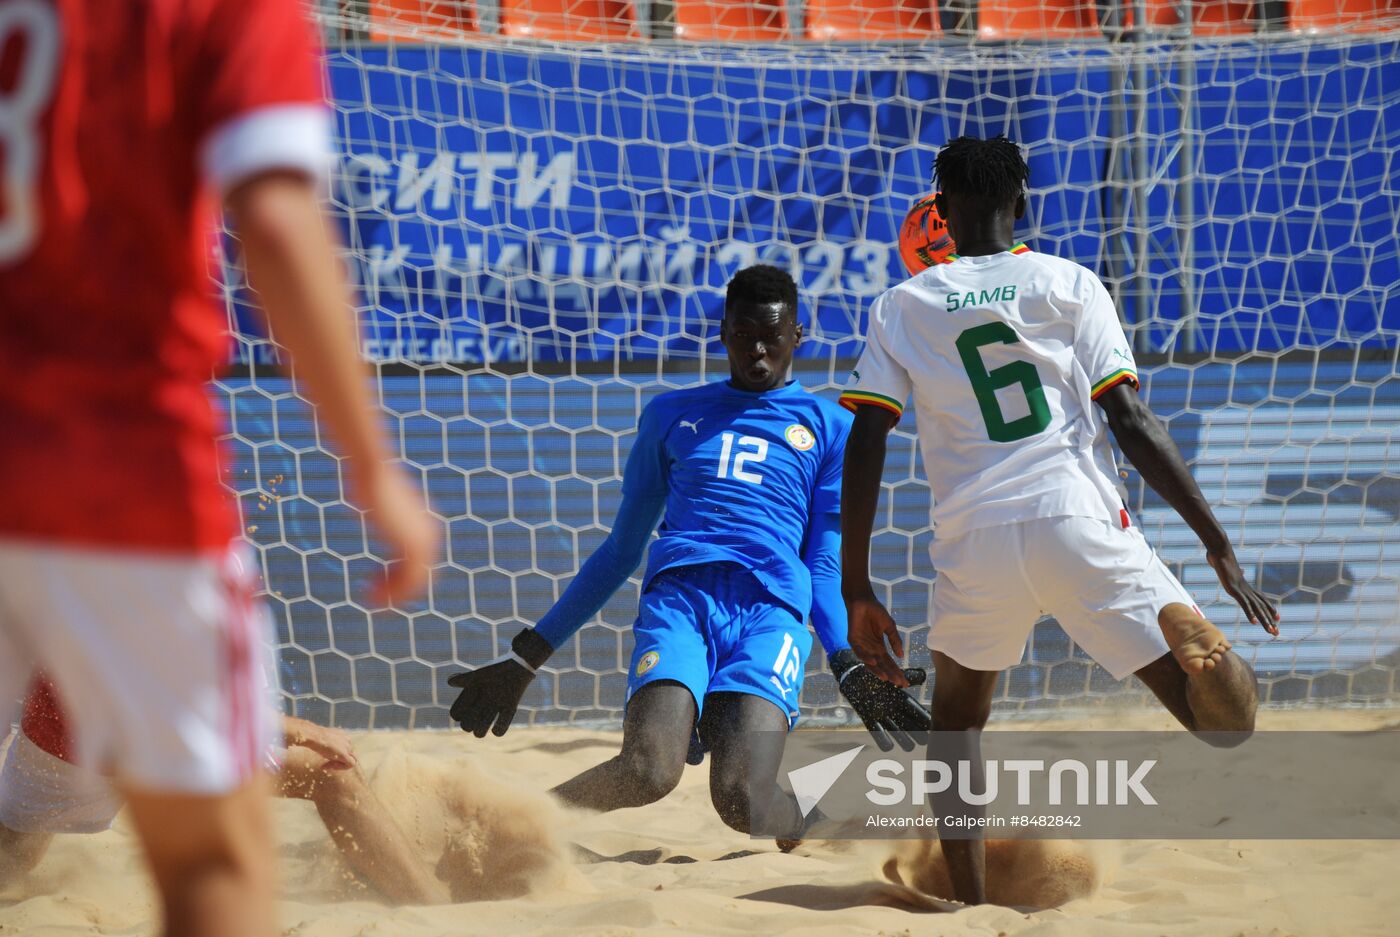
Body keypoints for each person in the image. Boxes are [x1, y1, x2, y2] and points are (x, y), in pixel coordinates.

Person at [0, 3, 436, 935]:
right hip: (111, 482)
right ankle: (448, 917)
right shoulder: (218, 17)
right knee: (261, 828)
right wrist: (377, 474)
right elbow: (277, 225)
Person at [838, 135, 1280, 905]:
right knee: (1225, 726)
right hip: (1075, 515)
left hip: (974, 537)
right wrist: (1217, 544)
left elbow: (867, 440)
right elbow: (1132, 420)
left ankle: (969, 905)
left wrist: (857, 587)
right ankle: (1210, 651)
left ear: (939, 214)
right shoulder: (1070, 282)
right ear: (1025, 206)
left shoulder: (902, 305)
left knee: (956, 727)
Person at [447, 265, 929, 838]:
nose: (757, 352)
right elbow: (621, 549)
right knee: (648, 771)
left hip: (770, 615)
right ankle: (507, 832)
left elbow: (822, 564)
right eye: (744, 334)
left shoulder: (830, 427)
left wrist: (847, 662)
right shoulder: (670, 415)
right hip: (682, 603)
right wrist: (529, 656)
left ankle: (836, 821)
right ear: (722, 330)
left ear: (797, 335)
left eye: (772, 339)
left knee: (741, 798)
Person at [0, 677, 448, 905]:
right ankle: (429, 907)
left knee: (331, 774)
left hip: (83, 746)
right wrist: (295, 727)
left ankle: (432, 914)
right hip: (81, 748)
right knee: (11, 861)